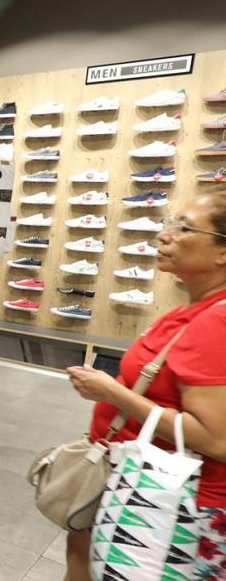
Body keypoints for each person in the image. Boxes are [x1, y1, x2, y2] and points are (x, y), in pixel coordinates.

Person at [64, 193, 226, 581]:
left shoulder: (215, 322)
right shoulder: (193, 310)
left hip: (171, 504)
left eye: (184, 227)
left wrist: (112, 393)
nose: (164, 235)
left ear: (222, 253)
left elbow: (215, 438)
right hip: (136, 481)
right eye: (169, 223)